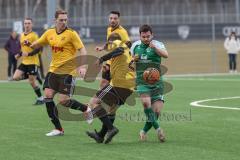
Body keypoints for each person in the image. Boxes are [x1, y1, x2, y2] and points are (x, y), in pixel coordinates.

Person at [30, 9, 92, 136]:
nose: (64, 22)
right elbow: (39, 42)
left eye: (65, 20)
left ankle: (86, 108)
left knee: (63, 101)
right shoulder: (49, 33)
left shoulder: (71, 34)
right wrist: (31, 44)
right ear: (55, 20)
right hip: (53, 71)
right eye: (61, 20)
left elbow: (82, 50)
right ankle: (58, 129)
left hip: (68, 72)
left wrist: (83, 67)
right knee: (47, 97)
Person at [86, 33, 135, 144]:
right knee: (112, 111)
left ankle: (111, 128)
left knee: (94, 102)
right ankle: (100, 136)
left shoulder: (118, 44)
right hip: (129, 86)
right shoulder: (128, 51)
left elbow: (118, 50)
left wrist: (101, 59)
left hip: (118, 84)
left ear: (111, 42)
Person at [131, 24, 168, 142]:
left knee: (156, 113)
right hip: (142, 82)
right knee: (146, 104)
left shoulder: (158, 44)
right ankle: (159, 130)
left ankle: (143, 131)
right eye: (144, 37)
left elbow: (166, 55)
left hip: (157, 83)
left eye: (148, 36)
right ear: (140, 36)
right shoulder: (135, 46)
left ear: (152, 35)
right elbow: (130, 65)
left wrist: (155, 48)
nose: (146, 39)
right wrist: (133, 60)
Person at [95, 11, 131, 89]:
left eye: (115, 18)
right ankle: (99, 100)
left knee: (115, 85)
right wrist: (102, 48)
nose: (113, 20)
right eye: (111, 18)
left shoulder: (122, 32)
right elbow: (109, 42)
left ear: (119, 20)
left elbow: (128, 45)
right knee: (103, 83)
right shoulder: (109, 29)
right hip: (110, 60)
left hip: (119, 62)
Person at [12, 18, 44, 105]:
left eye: (29, 23)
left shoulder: (34, 35)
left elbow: (38, 49)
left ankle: (41, 98)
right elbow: (23, 49)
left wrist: (29, 53)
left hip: (33, 62)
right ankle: (34, 75)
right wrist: (18, 55)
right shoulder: (21, 35)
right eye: (25, 23)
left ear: (32, 24)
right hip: (25, 62)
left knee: (31, 82)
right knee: (15, 77)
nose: (27, 25)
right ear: (23, 24)